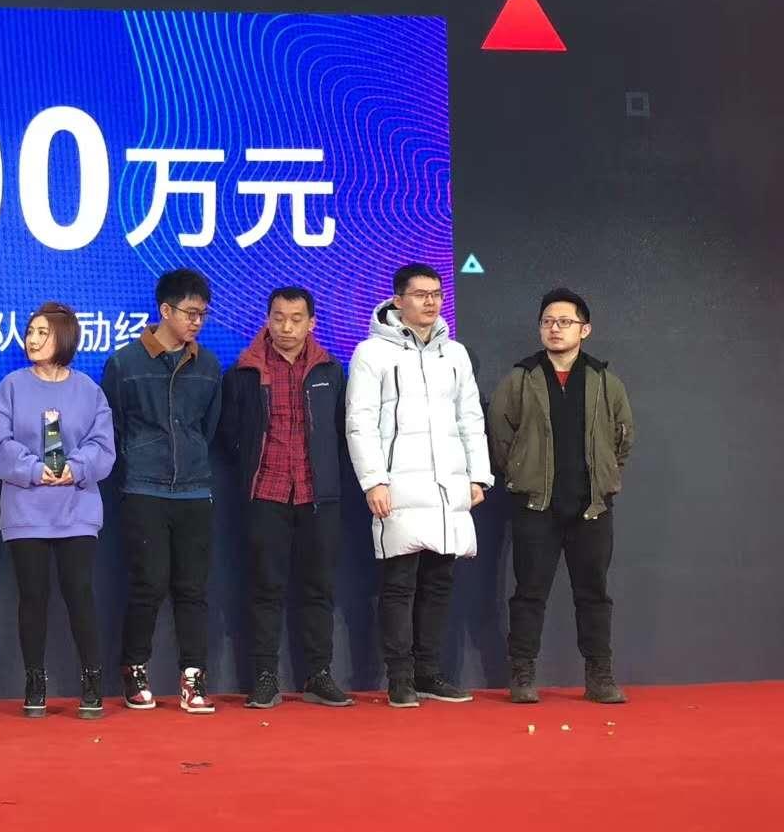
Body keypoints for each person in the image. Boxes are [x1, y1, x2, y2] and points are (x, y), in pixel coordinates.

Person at [344, 264, 492, 708]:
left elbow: (470, 418)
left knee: (439, 582)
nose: (431, 302)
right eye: (421, 294)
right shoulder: (371, 353)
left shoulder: (455, 355)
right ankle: (400, 677)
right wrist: (373, 480)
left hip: (448, 487)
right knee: (399, 585)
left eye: (436, 294)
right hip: (397, 487)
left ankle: (429, 672)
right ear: (398, 300)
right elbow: (360, 422)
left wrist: (478, 475)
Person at [488, 288, 634, 704]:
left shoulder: (604, 380)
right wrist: (521, 473)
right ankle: (522, 672)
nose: (555, 328)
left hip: (592, 507)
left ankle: (600, 675)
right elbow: (499, 435)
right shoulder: (521, 378)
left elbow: (623, 436)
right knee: (529, 593)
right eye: (548, 322)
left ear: (584, 330)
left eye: (565, 322)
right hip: (536, 506)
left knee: (594, 594)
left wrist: (605, 477)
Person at [220, 286, 352, 709]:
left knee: (319, 588)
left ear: (312, 323)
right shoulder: (244, 372)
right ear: (267, 319)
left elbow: (342, 431)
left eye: (296, 319)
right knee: (265, 589)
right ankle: (264, 677)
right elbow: (229, 434)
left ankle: (318, 674)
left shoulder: (331, 371)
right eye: (278, 318)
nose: (286, 327)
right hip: (266, 491)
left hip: (318, 494)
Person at [0, 303, 115, 718]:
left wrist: (75, 468)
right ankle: (34, 681)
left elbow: (102, 444)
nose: (33, 339)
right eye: (31, 332)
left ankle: (92, 681)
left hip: (77, 507)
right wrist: (34, 470)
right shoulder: (11, 387)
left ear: (65, 338)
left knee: (80, 593)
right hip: (26, 509)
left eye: (43, 332)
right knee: (32, 596)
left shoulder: (89, 390)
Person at [102, 269, 222, 714]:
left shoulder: (208, 366)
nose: (196, 322)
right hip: (144, 488)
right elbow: (113, 425)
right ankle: (135, 671)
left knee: (193, 589)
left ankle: (193, 678)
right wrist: (141, 457)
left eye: (202, 314)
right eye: (189, 313)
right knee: (148, 585)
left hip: (194, 489)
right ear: (165, 311)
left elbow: (209, 426)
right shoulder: (125, 363)